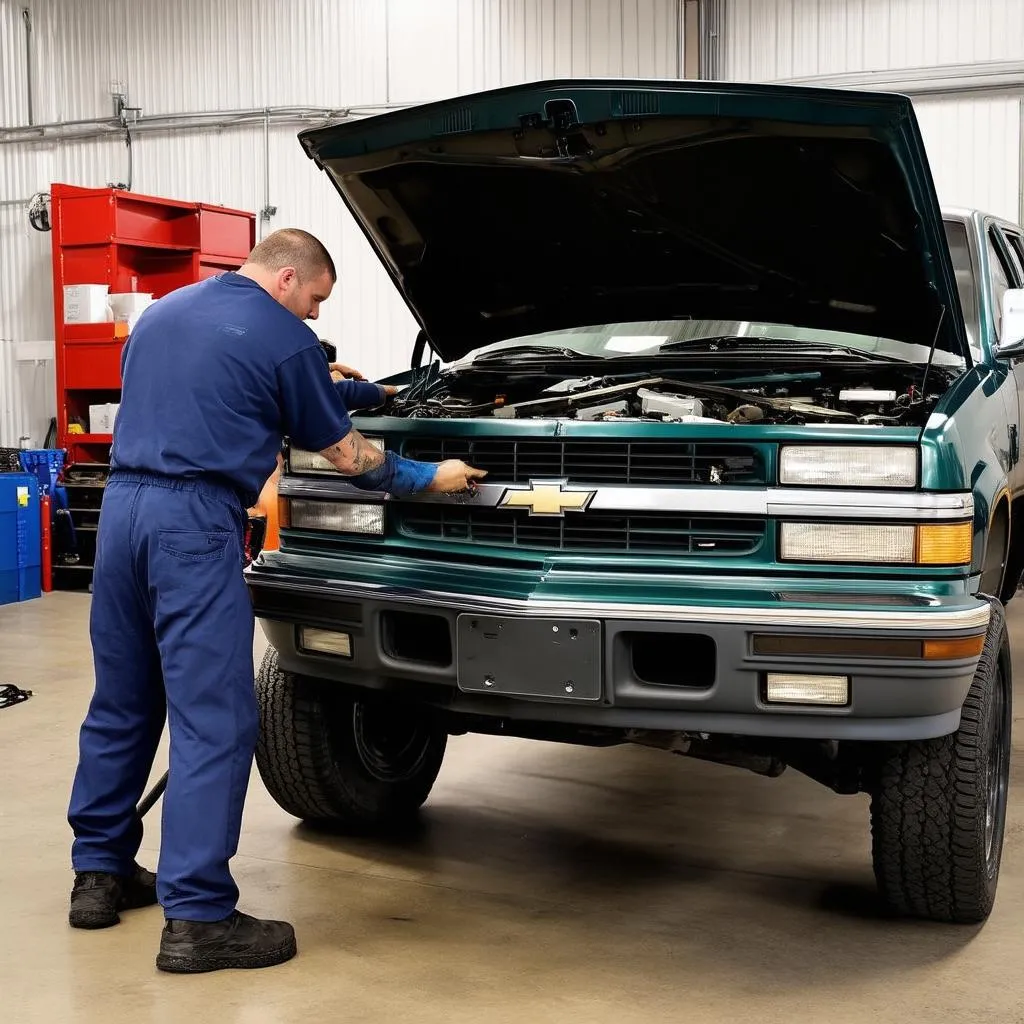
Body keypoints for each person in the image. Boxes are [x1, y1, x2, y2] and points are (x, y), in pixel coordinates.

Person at [66, 228, 486, 974]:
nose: (317, 317)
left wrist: (374, 392)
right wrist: (431, 478)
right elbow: (350, 456)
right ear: (289, 277)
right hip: (191, 526)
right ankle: (197, 917)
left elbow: (242, 386)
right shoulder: (283, 337)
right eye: (317, 299)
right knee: (216, 718)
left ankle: (98, 876)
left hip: (123, 516)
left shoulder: (165, 313)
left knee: (124, 701)